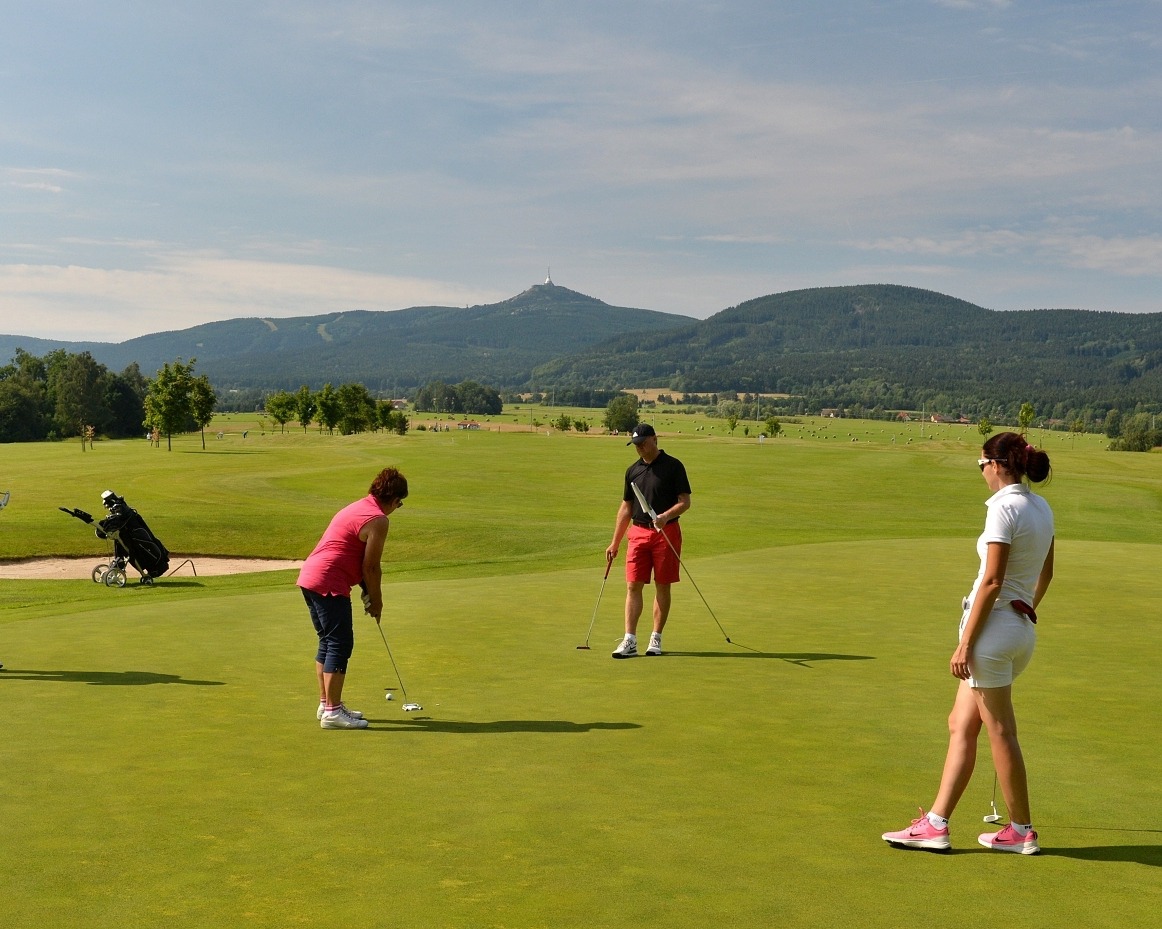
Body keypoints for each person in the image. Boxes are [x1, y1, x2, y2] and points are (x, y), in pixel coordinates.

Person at [882, 432, 1054, 854]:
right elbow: (1045, 573)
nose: (981, 471)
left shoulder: (1003, 508)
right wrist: (1023, 609)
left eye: (981, 464)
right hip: (1016, 630)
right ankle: (936, 823)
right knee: (962, 723)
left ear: (996, 464)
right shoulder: (1040, 506)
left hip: (991, 635)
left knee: (1000, 731)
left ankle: (1021, 830)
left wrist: (965, 645)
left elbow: (993, 580)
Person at [297, 467, 408, 729]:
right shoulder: (379, 519)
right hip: (328, 580)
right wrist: (377, 600)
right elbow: (371, 566)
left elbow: (354, 559)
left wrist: (367, 591)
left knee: (328, 640)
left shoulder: (358, 506)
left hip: (310, 577)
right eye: (399, 504)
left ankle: (327, 705)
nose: (397, 508)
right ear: (393, 500)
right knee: (339, 643)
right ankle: (333, 713)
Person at [605, 424, 691, 658]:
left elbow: (685, 501)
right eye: (636, 445)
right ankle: (629, 640)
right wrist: (615, 542)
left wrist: (665, 516)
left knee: (663, 584)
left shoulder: (674, 466)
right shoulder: (632, 471)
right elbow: (626, 508)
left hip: (666, 532)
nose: (640, 448)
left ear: (655, 439)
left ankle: (656, 637)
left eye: (643, 442)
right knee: (633, 585)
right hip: (638, 532)